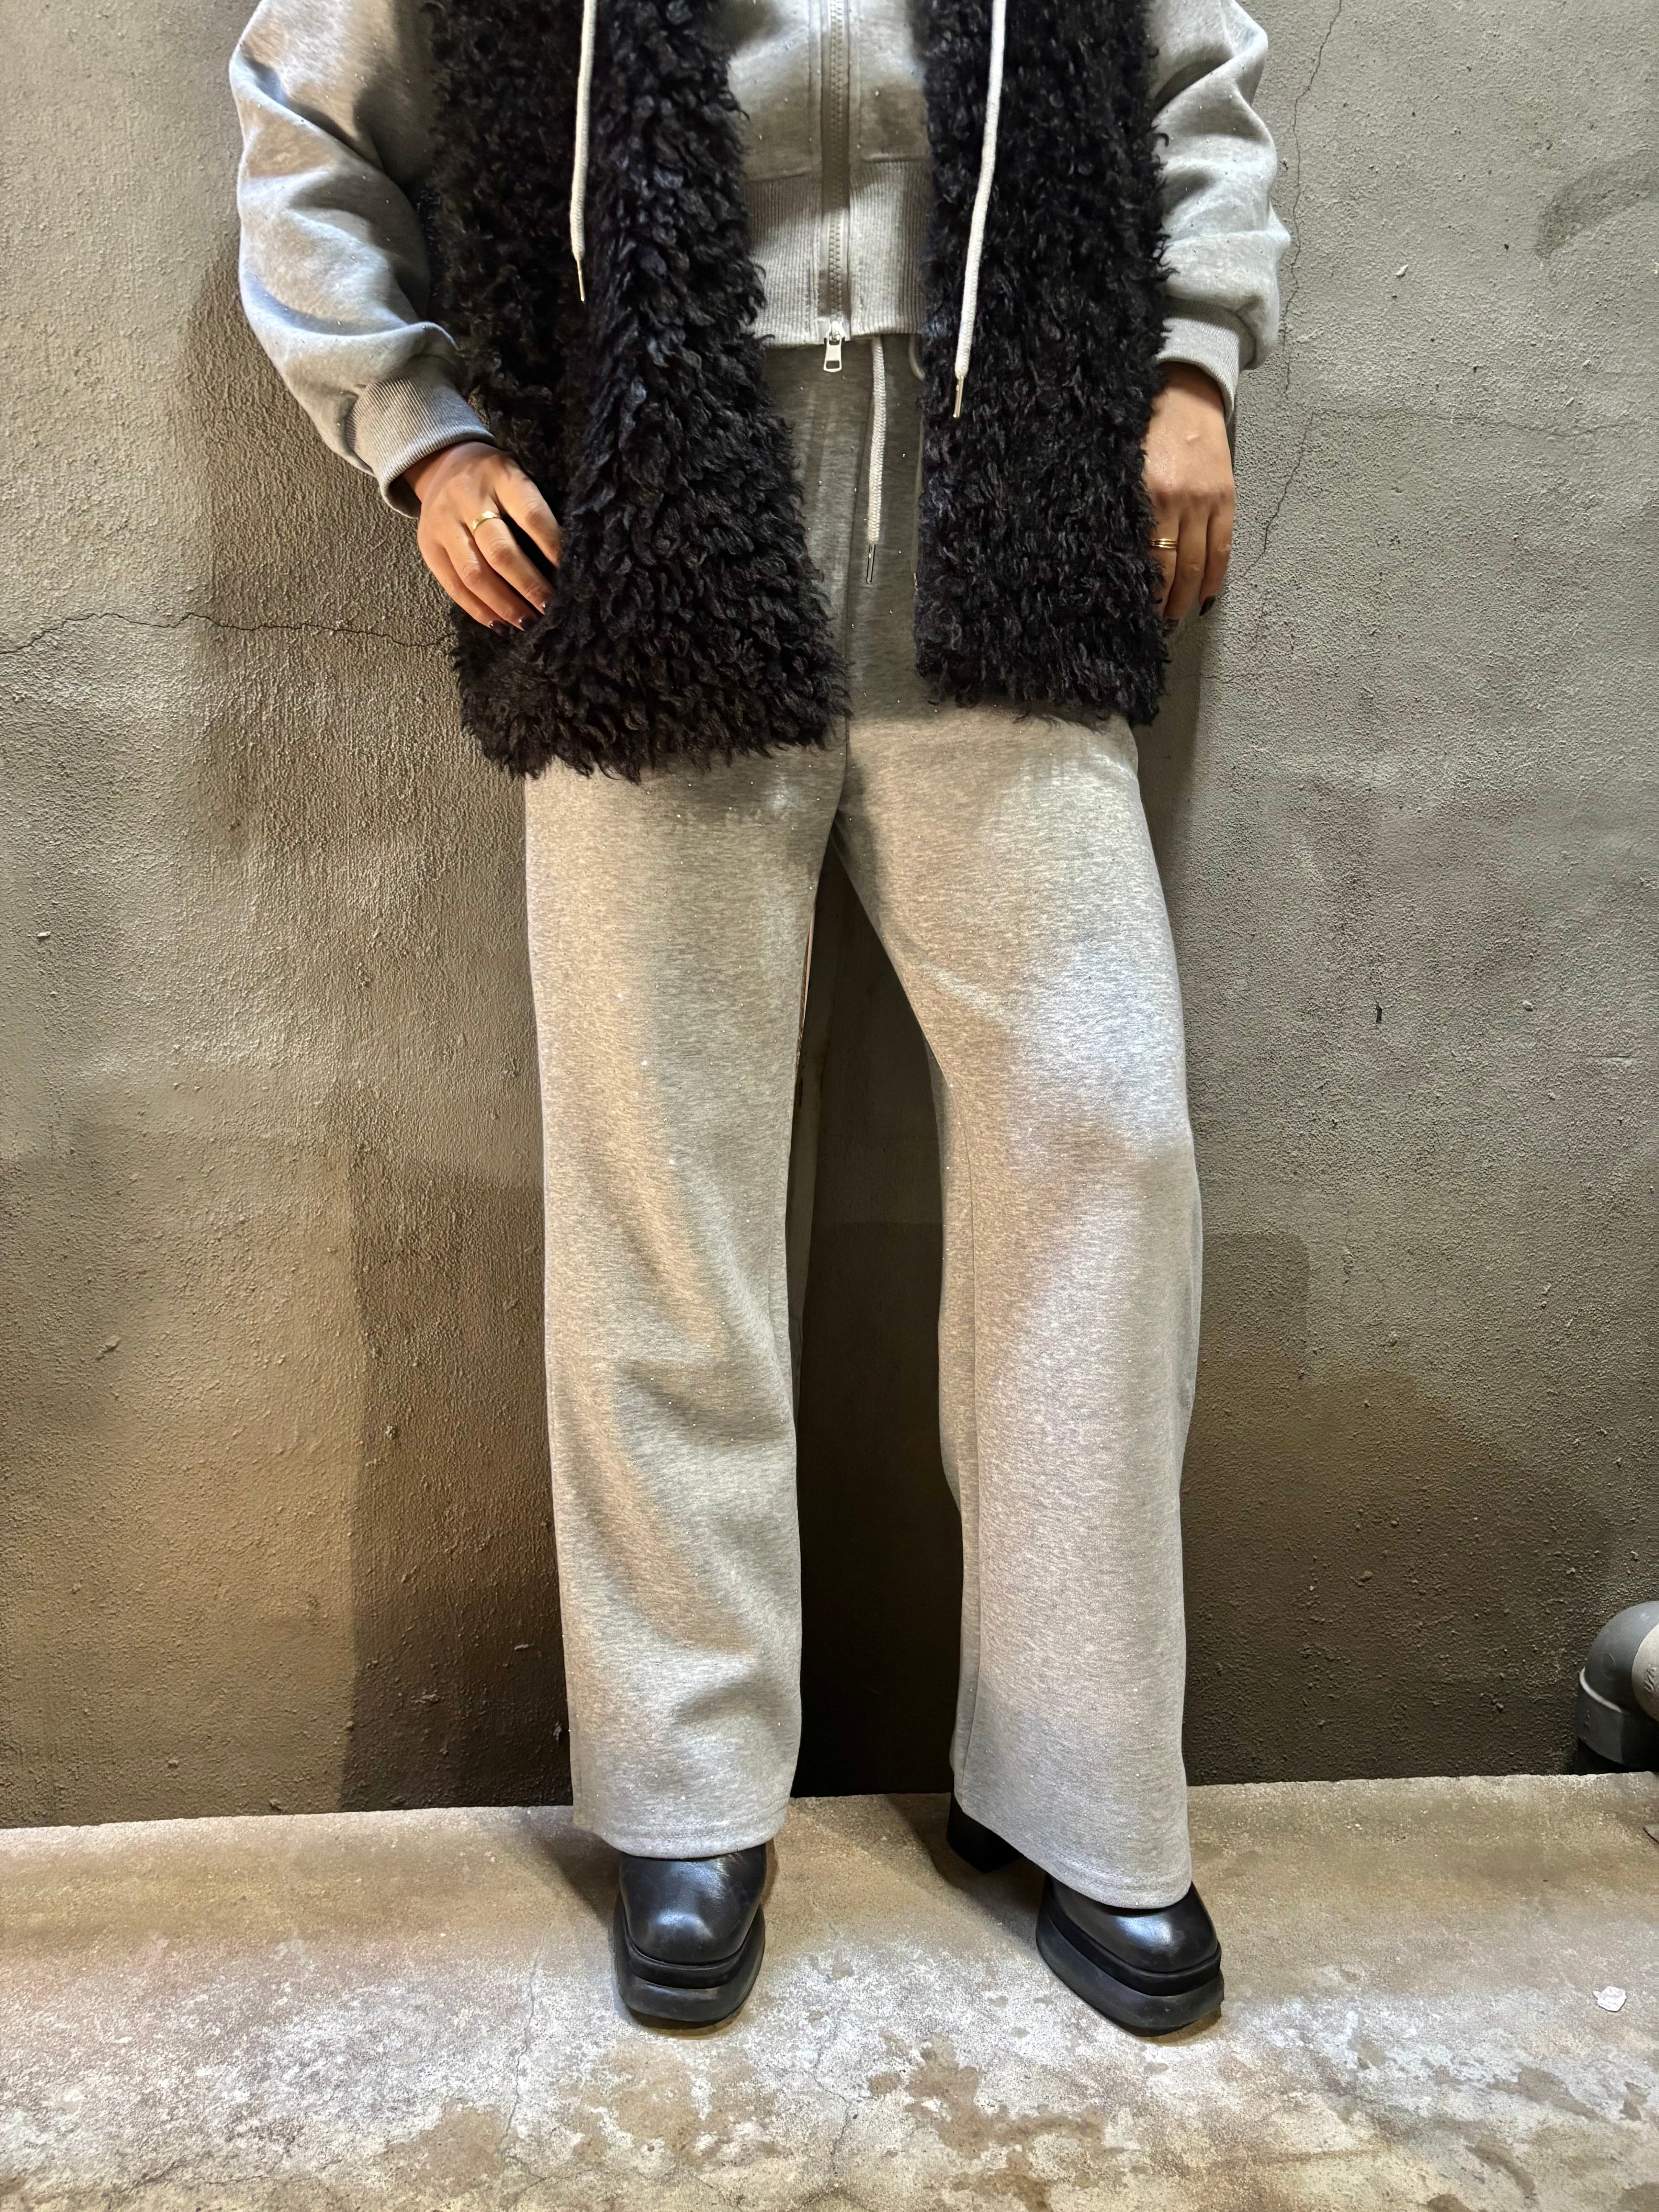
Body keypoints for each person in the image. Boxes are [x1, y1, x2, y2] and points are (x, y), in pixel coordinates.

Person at [231, 0, 1290, 2033]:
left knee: (1105, 1132)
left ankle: (1084, 1787)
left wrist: (1191, 361)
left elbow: (1198, 73)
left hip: (1001, 488)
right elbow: (305, 118)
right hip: (643, 508)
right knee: (665, 1173)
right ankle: (686, 1792)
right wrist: (419, 429)